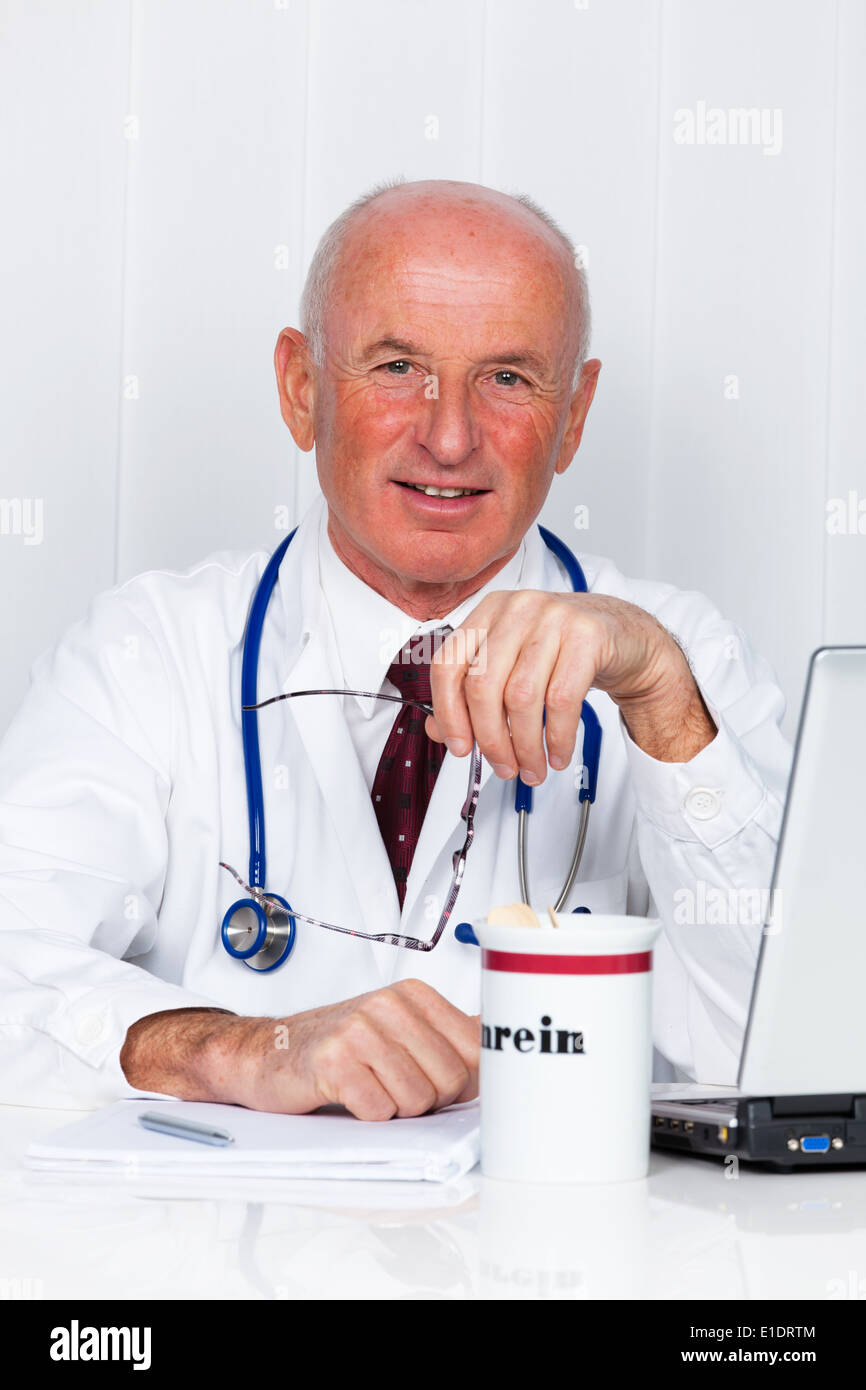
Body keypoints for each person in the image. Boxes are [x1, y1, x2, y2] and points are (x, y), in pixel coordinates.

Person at [0, 178, 792, 1117]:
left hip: (573, 1254)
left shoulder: (686, 663)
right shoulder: (148, 654)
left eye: (506, 378)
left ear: (573, 416)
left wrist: (662, 703)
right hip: (216, 1256)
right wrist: (242, 1051)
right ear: (302, 391)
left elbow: (793, 1050)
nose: (449, 436)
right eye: (395, 366)